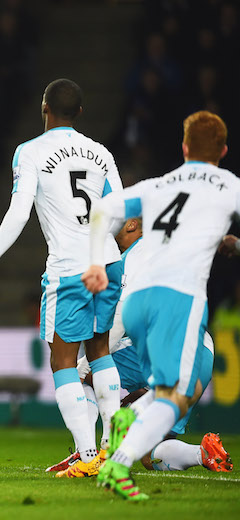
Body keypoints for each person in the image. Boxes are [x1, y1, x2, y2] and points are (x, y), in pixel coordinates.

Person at [0, 79, 124, 477]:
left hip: (70, 269)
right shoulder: (101, 152)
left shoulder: (31, 152)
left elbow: (19, 211)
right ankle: (111, 449)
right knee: (101, 349)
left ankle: (88, 458)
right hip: (108, 262)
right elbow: (121, 210)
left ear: (44, 108)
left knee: (63, 361)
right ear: (80, 113)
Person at [84, 110, 240, 500]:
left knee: (167, 397)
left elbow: (103, 210)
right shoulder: (227, 185)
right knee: (172, 399)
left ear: (185, 147)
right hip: (179, 302)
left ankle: (130, 428)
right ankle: (120, 447)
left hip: (137, 303)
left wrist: (94, 264)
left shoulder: (161, 184)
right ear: (223, 150)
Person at [48, 218, 231, 475]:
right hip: (201, 352)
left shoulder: (135, 256)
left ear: (132, 224)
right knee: (151, 452)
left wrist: (87, 362)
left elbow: (120, 318)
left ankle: (86, 455)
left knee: (80, 375)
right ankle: (203, 453)